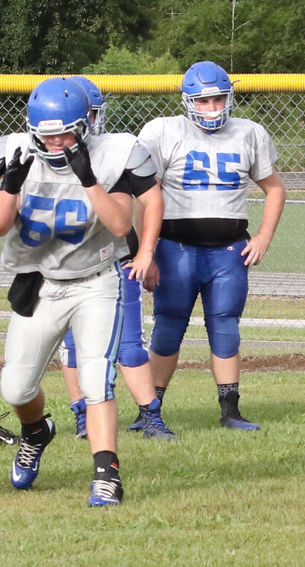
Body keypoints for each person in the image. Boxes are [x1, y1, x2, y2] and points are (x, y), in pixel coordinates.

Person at [1, 77, 160, 506]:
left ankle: (106, 474)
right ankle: (37, 431)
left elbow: (122, 225)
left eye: (66, 133)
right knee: (15, 389)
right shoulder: (14, 152)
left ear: (86, 125)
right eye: (48, 136)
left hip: (94, 282)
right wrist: (9, 187)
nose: (57, 144)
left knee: (95, 379)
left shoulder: (111, 156)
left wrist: (88, 177)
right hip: (41, 284)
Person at [138, 61, 286, 430]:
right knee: (168, 326)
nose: (213, 108)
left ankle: (230, 409)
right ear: (188, 102)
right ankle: (150, 411)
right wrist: (147, 250)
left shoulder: (249, 132)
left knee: (225, 325)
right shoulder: (163, 131)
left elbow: (274, 187)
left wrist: (264, 235)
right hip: (176, 246)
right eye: (203, 101)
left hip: (228, 250)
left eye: (219, 99)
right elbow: (145, 194)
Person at [58, 75, 174, 441]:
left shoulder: (118, 150)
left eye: (91, 115)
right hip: (65, 262)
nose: (87, 125)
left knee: (128, 341)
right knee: (74, 343)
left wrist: (145, 252)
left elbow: (152, 200)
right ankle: (82, 413)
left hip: (115, 257)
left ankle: (149, 414)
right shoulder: (38, 152)